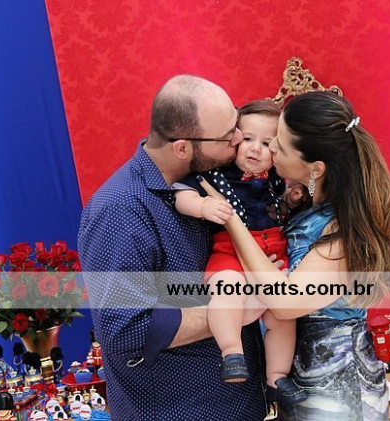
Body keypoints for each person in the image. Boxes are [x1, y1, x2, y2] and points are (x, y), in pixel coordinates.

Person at [198, 91, 390, 420]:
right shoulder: (304, 203)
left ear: (315, 168)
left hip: (338, 388)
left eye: (280, 145)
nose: (270, 148)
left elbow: (285, 302)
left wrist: (232, 220)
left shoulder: (341, 231)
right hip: (307, 378)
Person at [78, 75, 269, 420]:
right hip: (183, 410)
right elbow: (125, 330)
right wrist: (235, 308)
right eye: (228, 135)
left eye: (236, 124)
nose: (239, 139)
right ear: (182, 148)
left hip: (240, 405)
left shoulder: (211, 177)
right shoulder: (120, 209)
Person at [173, 99, 306, 403]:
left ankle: (277, 377)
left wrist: (291, 199)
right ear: (233, 138)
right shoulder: (215, 172)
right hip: (229, 253)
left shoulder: (275, 178)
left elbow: (279, 208)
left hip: (272, 257)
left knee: (284, 315)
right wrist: (203, 206)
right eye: (247, 139)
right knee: (227, 289)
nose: (255, 149)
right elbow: (179, 194)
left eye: (267, 143)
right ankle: (232, 351)